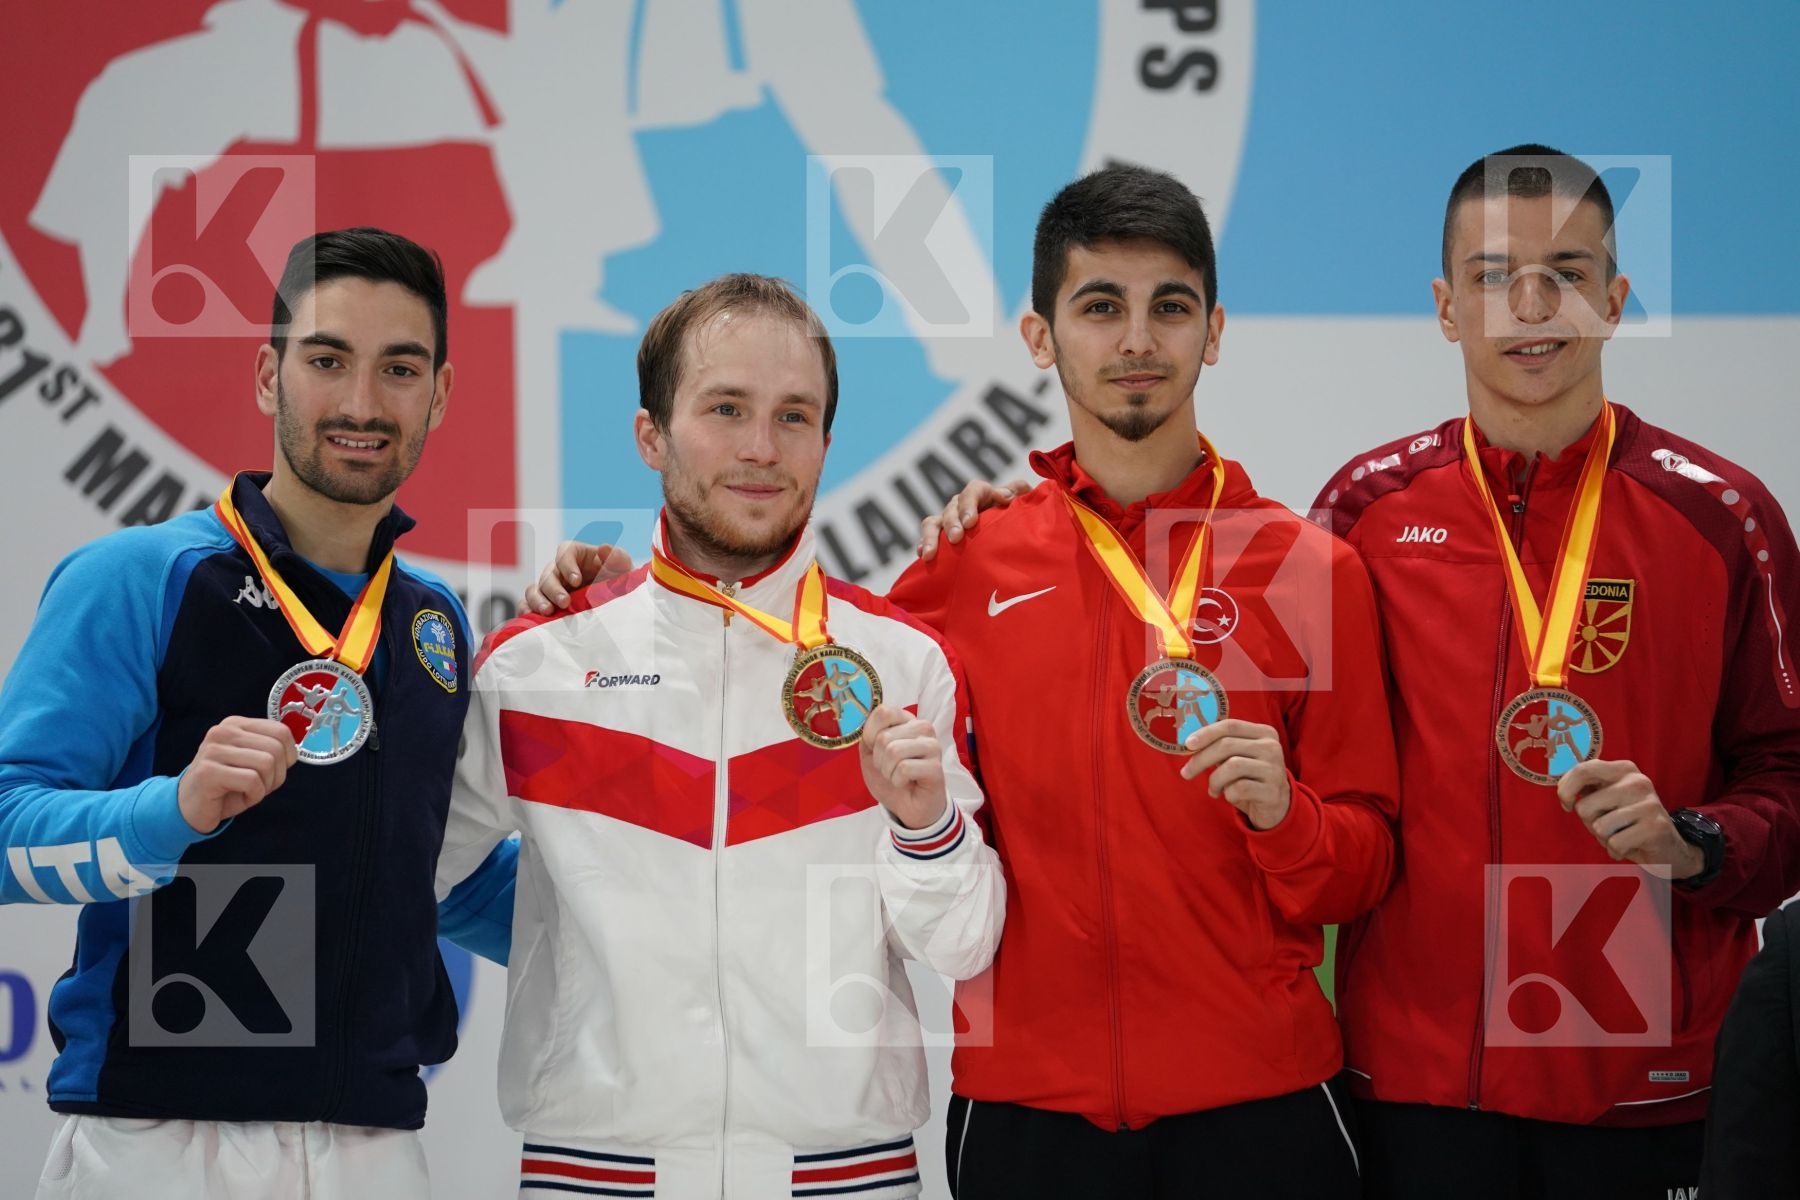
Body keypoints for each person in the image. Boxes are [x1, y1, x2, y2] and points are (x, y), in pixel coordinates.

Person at [530, 168, 1399, 1198]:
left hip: (1264, 1111)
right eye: (1099, 306)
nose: (1136, 340)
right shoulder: (961, 571)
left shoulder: (1308, 571)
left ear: (1214, 331)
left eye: (1170, 307)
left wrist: (1286, 818)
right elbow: (772, 666)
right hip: (1027, 1117)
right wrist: (631, 597)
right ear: (1040, 336)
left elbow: (1364, 872)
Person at [436, 273, 1004, 1200]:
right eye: (726, 408)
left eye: (793, 416)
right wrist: (569, 937)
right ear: (650, 434)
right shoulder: (539, 665)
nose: (760, 448)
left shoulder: (903, 664)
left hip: (846, 1177)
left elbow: (965, 946)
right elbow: (413, 875)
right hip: (595, 1176)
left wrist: (926, 830)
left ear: (826, 440)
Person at [1309, 146, 1800, 1198]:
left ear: (1616, 300)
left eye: (1568, 273)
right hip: (1415, 1078)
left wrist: (1697, 842)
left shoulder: (1725, 518)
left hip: (1646, 1075)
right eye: (1492, 276)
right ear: (1446, 307)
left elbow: (1792, 775)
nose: (1533, 305)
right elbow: (1308, 774)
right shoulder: (1361, 511)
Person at [0, 227, 516, 1199]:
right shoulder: (144, 578)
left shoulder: (433, 623)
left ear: (439, 394)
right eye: (327, 360)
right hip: (158, 1139)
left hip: (378, 1143)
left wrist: (652, 900)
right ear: (267, 375)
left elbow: (442, 874)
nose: (362, 403)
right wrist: (171, 811)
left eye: (399, 369)